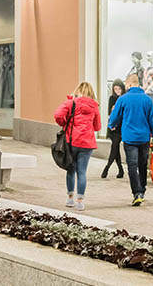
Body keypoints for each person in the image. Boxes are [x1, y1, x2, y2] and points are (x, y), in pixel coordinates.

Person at [107, 73, 153, 207]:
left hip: (129, 138)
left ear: (129, 84)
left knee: (132, 165)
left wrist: (111, 125)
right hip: (144, 138)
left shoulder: (123, 99)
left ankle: (136, 193)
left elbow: (114, 116)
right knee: (142, 165)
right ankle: (142, 191)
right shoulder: (147, 100)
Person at [54, 82, 101, 211]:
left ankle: (70, 199)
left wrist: (64, 123)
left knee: (71, 169)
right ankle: (80, 201)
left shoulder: (71, 103)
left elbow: (58, 115)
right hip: (87, 143)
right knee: (82, 172)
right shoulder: (94, 106)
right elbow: (97, 127)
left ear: (78, 91)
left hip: (72, 141)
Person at [101, 79, 126, 179]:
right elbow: (110, 113)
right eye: (115, 89)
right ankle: (113, 169)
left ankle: (113, 168)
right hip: (114, 127)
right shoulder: (112, 98)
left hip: (123, 126)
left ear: (122, 88)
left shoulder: (125, 98)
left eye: (119, 89)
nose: (117, 91)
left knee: (115, 149)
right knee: (115, 148)